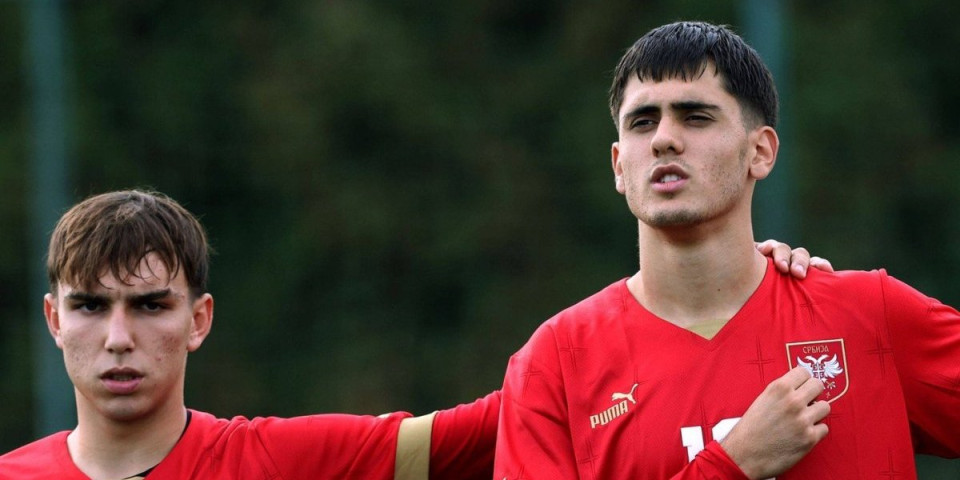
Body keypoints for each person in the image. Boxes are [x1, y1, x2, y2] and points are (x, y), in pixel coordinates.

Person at [0, 188, 827, 479]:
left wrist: (725, 283)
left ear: (198, 321)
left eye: (150, 306)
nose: (118, 336)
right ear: (53, 320)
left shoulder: (278, 463)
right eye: (90, 307)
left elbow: (524, 409)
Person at [494, 21, 960, 480]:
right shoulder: (556, 362)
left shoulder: (869, 316)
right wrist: (732, 465)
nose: (663, 139)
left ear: (760, 152)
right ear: (619, 165)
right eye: (643, 121)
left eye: (695, 116)